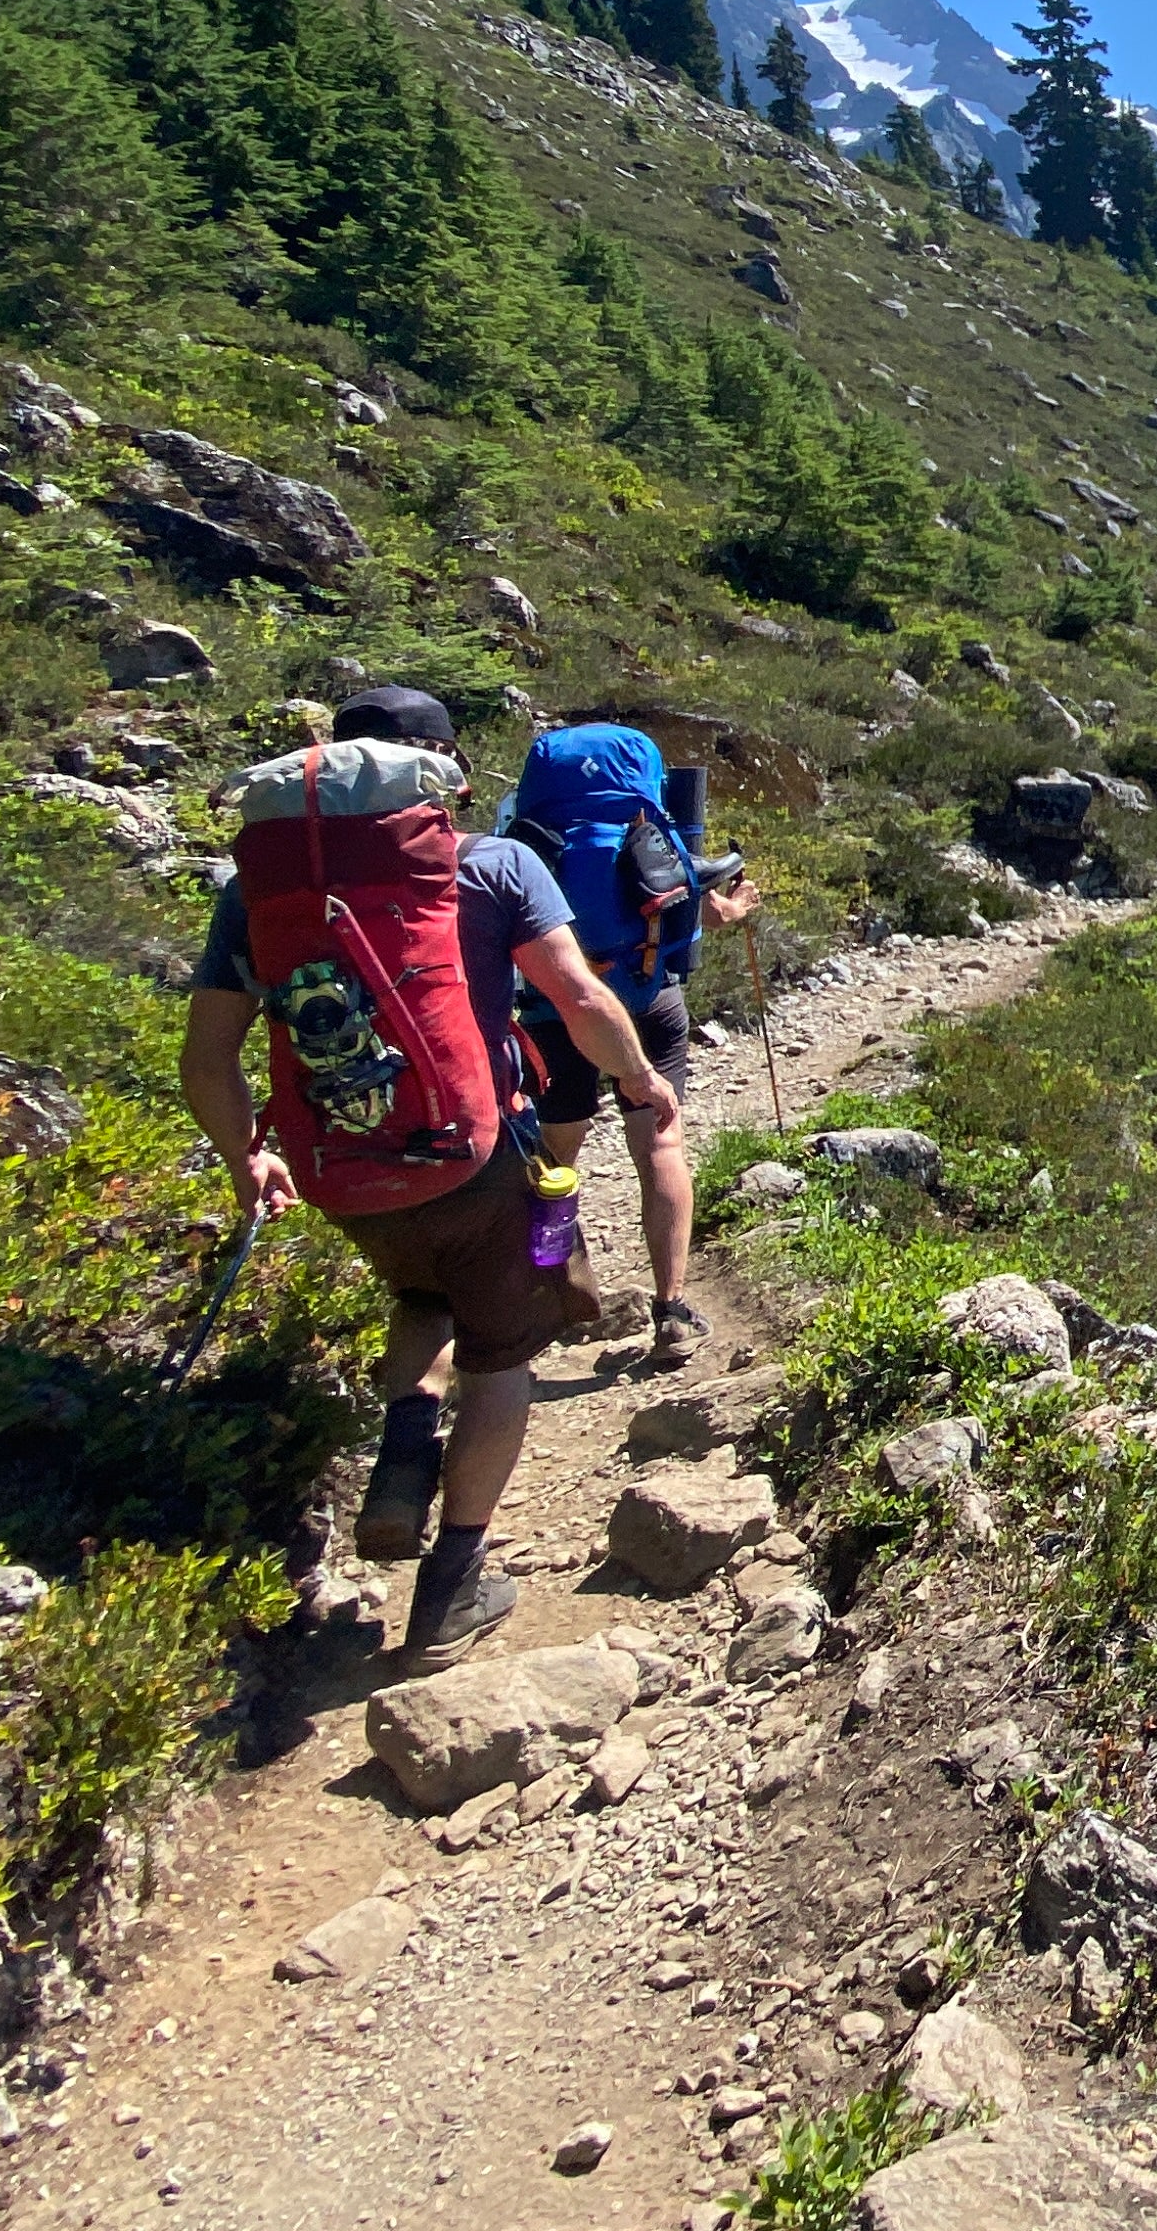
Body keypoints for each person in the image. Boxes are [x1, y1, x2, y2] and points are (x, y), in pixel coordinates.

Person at [178, 685, 683, 1657]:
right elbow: (578, 999)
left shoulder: (257, 892)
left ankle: (406, 1450)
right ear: (441, 772)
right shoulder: (495, 864)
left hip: (338, 1169)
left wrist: (249, 1163)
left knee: (421, 1294)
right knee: (499, 1357)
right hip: (472, 1156)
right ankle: (453, 1582)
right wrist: (638, 1077)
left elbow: (206, 1063)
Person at [500, 724, 762, 1372]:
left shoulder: (521, 840)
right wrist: (737, 908)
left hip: (553, 1012)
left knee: (553, 1159)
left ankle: (555, 1289)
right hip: (648, 1003)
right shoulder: (650, 831)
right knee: (660, 1145)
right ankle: (671, 1309)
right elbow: (695, 911)